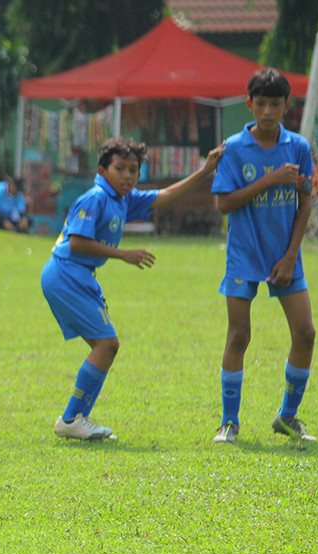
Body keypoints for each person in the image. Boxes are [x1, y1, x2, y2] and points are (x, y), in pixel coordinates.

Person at [42, 137, 223, 441]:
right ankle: (72, 418)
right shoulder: (95, 198)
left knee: (106, 346)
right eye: (120, 168)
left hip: (77, 274)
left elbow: (165, 196)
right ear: (102, 170)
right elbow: (76, 242)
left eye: (133, 170)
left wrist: (204, 171)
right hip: (65, 273)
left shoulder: (123, 199)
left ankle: (76, 418)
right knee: (106, 344)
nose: (127, 175)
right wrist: (123, 254)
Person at [210, 68, 316, 444]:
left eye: (275, 104)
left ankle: (288, 417)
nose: (268, 111)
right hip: (243, 255)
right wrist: (269, 180)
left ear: (287, 106)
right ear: (249, 103)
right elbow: (224, 204)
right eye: (261, 103)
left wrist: (290, 257)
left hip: (285, 256)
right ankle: (229, 422)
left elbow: (305, 204)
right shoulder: (234, 149)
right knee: (239, 335)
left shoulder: (298, 148)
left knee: (305, 333)